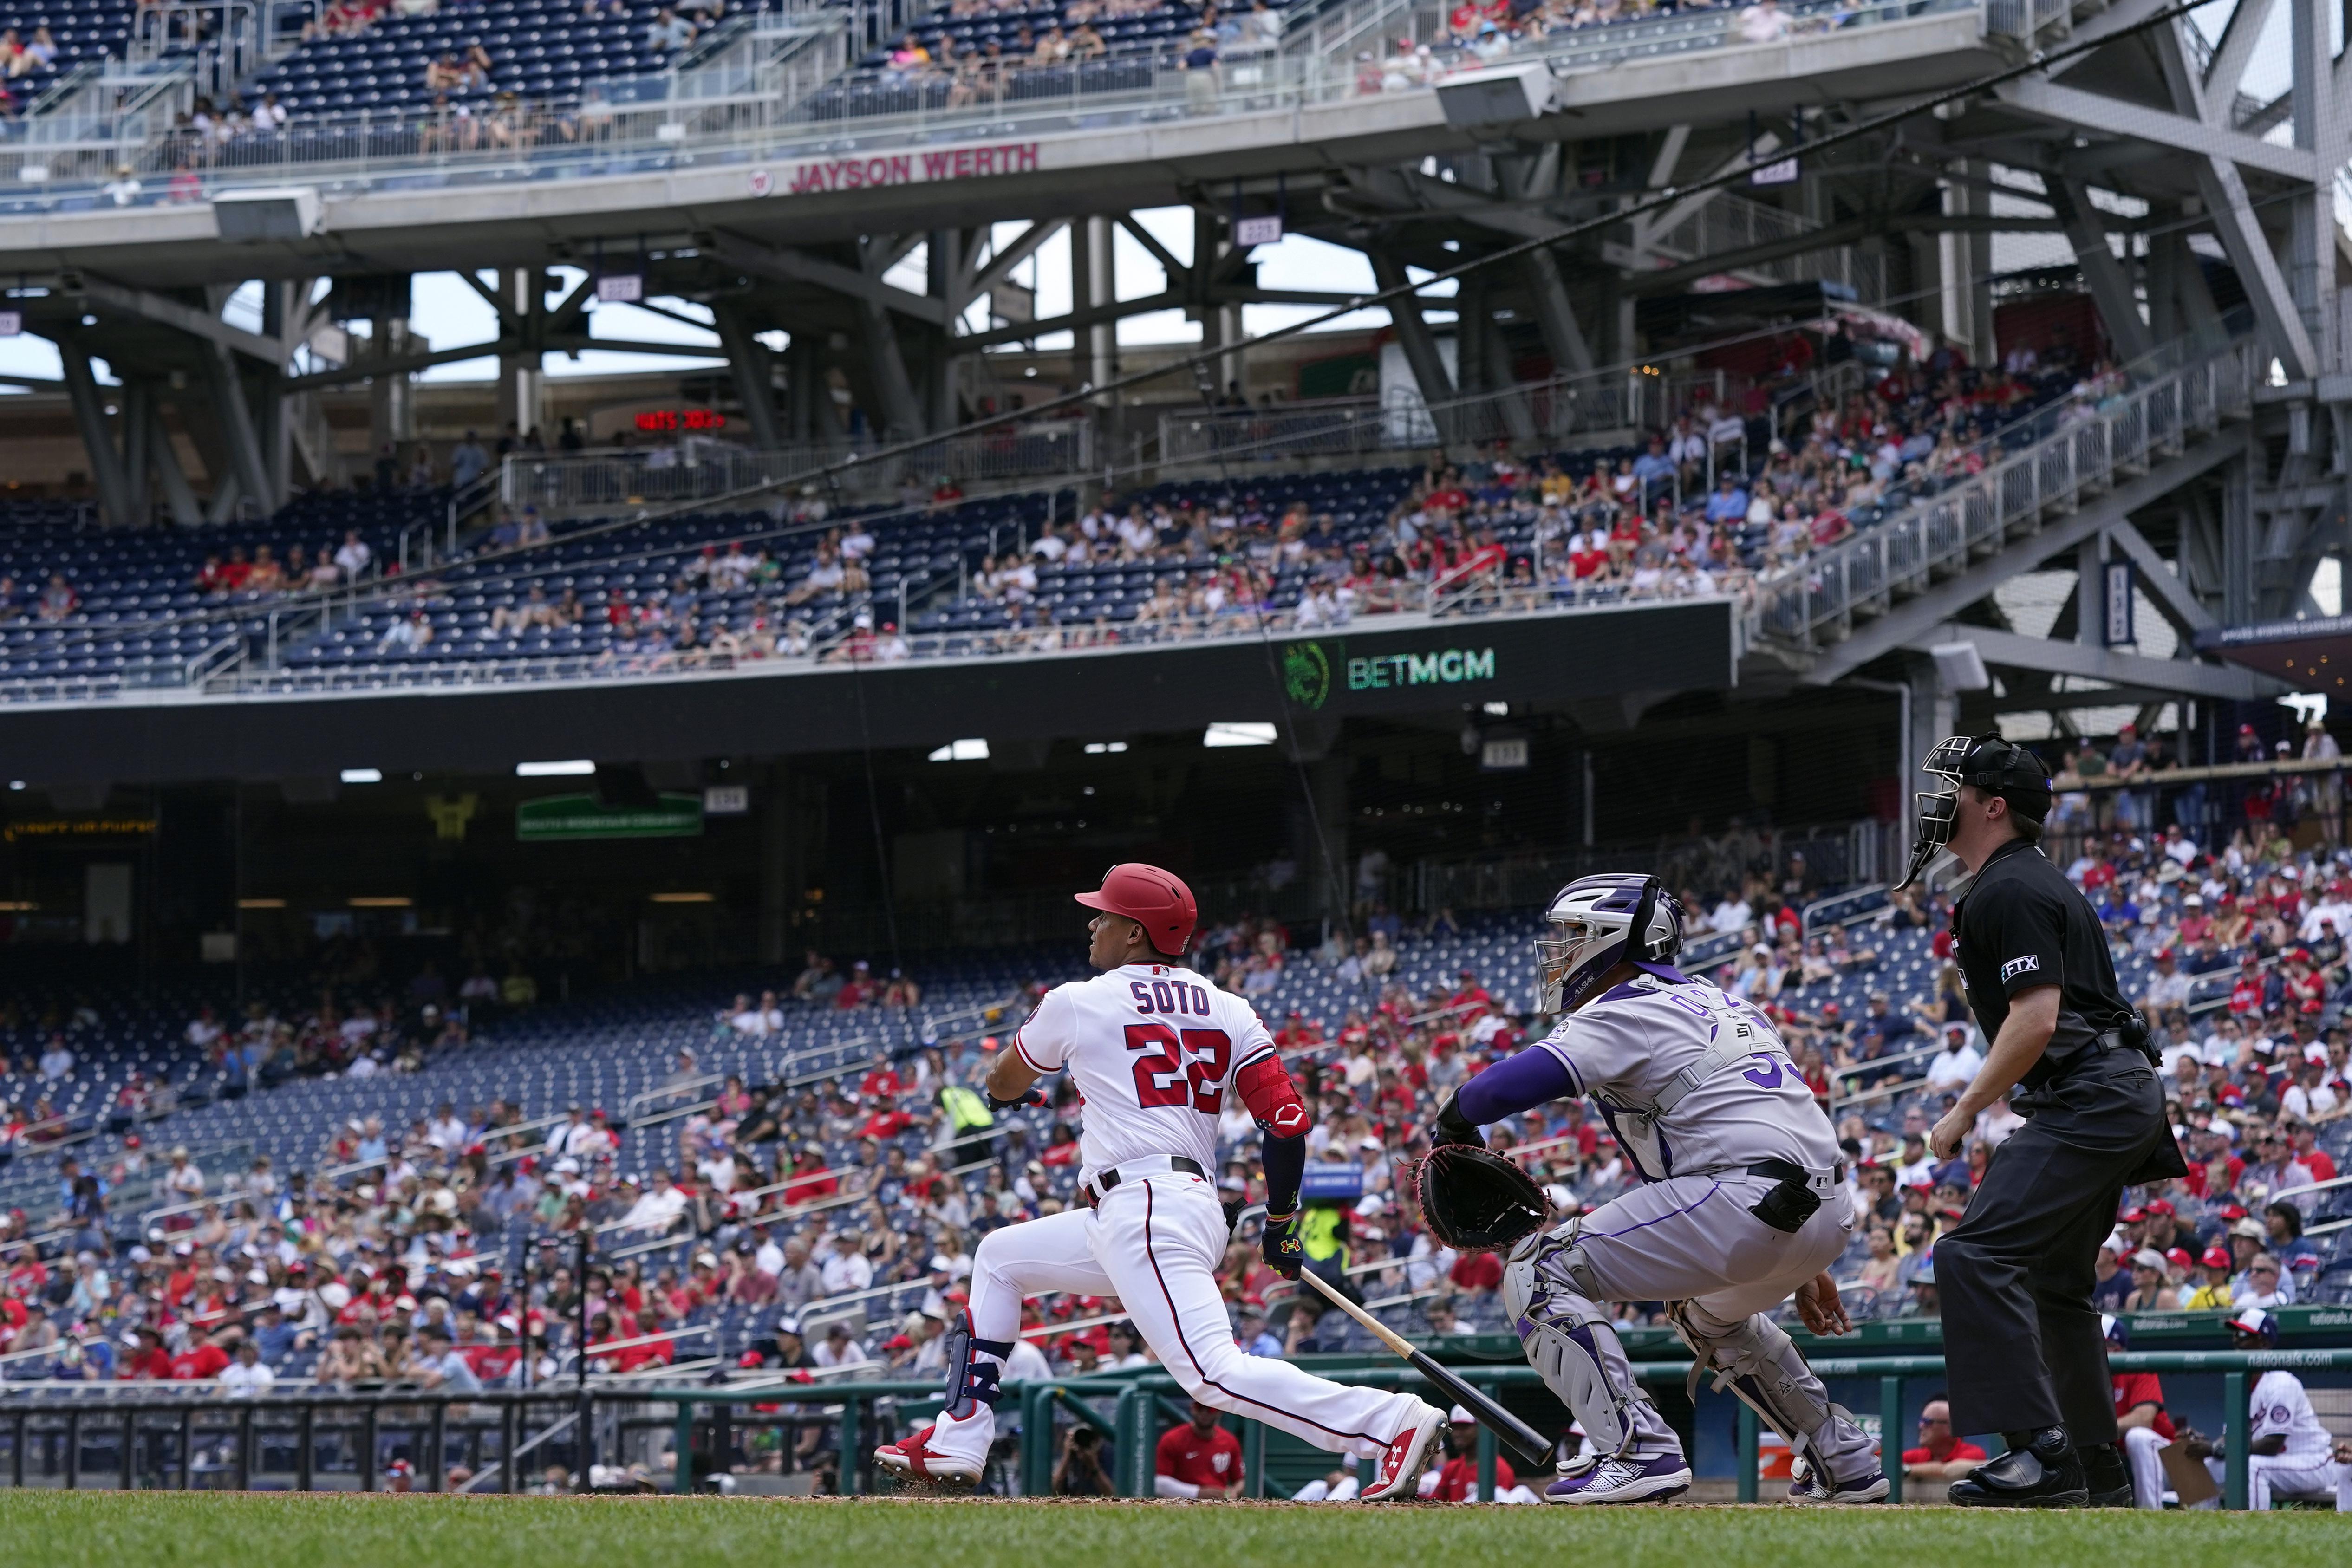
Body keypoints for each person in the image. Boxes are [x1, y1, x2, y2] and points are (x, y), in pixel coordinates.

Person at [874, 864, 1446, 1498]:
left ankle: (1389, 1423)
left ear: (1134, 934)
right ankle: (960, 1436)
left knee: (1211, 1374)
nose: (1093, 922)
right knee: (1000, 1258)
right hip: (1177, 1206)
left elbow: (1001, 1082)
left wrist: (1015, 1090)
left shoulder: (1078, 999)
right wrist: (1282, 1221)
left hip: (1143, 1208)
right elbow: (1286, 1125)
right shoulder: (1231, 1008)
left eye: (1105, 914)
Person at [1434, 872, 1885, 1504]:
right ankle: (1845, 1460)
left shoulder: (1626, 1005)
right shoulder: (1721, 1000)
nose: (1560, 950)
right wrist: (1803, 1259)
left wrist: (1450, 1121)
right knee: (1705, 1314)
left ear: (1610, 940)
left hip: (1743, 1202)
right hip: (1823, 1207)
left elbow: (1499, 1089)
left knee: (1537, 1269)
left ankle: (1637, 1450)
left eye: (1573, 936)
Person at [1911, 733, 2183, 1508]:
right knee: (2055, 1287)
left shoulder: (2009, 887)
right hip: (2106, 1089)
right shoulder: (2021, 879)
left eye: (1957, 787)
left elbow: (2035, 1017)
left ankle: (2041, 1451)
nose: (1943, 798)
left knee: (1970, 1255)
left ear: (1993, 807)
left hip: (2093, 1093)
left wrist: (1964, 1109)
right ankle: (2102, 1475)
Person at [2179, 1308, 2352, 1510]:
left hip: (2312, 1462)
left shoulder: (2281, 1383)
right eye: (2234, 1334)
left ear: (2264, 1343)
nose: (2236, 1341)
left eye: (2244, 1335)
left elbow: (2272, 1446)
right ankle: (2201, 1531)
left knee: (2253, 1467)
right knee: (2204, 1466)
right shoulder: (2242, 1384)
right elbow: (2229, 1440)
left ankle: (2254, 1532)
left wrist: (2216, 1449)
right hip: (2277, 1464)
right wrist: (2204, 1444)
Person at [2102, 1315, 2174, 1509]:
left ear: (2114, 1348)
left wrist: (2094, 1431)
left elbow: (2143, 1419)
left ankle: (2149, 1513)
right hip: (2125, 1465)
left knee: (2138, 1437)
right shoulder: (2082, 1378)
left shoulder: (2137, 1367)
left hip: (2170, 1461)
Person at [1156, 1398, 1245, 1499]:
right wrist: (1197, 1493)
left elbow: (1240, 1480)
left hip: (1220, 1502)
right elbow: (1159, 1483)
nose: (1204, 1413)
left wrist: (1234, 1492)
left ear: (1219, 1412)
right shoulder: (1172, 1439)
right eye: (1200, 1408)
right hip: (1181, 1502)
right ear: (1193, 1409)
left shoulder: (1230, 1441)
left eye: (1210, 1409)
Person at [1900, 1396, 1988, 1486]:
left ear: (1950, 1427)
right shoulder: (1919, 1454)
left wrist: (1906, 1469)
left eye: (1928, 1422)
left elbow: (1949, 1470)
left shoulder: (1974, 1452)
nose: (1921, 1426)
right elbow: (1889, 1465)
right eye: (1921, 1420)